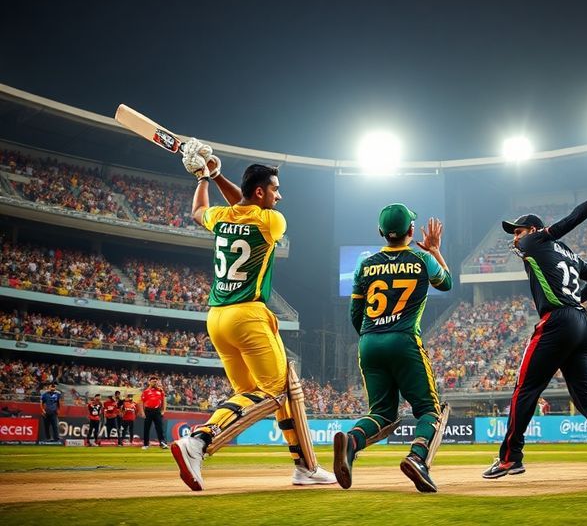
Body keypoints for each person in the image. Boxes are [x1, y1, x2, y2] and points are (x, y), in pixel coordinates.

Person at [170, 143, 335, 490]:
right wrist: (213, 174)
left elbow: (200, 209)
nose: (280, 195)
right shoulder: (271, 220)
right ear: (261, 191)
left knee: (256, 393)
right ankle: (198, 441)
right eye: (275, 188)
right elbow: (247, 205)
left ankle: (305, 466)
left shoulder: (221, 218)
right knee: (276, 390)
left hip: (217, 318)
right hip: (248, 316)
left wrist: (207, 177)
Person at [482, 160, 587, 485]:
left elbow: (571, 220)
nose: (515, 238)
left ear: (534, 232)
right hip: (583, 325)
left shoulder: (534, 242)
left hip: (557, 322)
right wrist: (577, 299)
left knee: (524, 389)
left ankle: (510, 458)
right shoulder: (566, 252)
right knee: (586, 397)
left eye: (518, 231)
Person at [333, 204, 452, 493]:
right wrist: (435, 249)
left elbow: (355, 313)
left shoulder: (365, 264)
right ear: (412, 231)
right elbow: (446, 283)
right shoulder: (422, 258)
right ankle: (417, 457)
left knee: (382, 413)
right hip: (404, 340)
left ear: (380, 232)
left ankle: (351, 442)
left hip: (370, 341)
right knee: (429, 411)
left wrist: (371, 334)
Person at [141, 376, 167, 450]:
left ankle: (162, 443)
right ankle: (146, 444)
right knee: (146, 428)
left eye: (156, 381)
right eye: (153, 381)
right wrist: (142, 412)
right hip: (148, 411)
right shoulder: (146, 391)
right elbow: (142, 402)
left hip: (157, 411)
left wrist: (163, 410)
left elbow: (164, 401)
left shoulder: (161, 391)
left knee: (160, 428)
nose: (155, 382)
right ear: (150, 382)